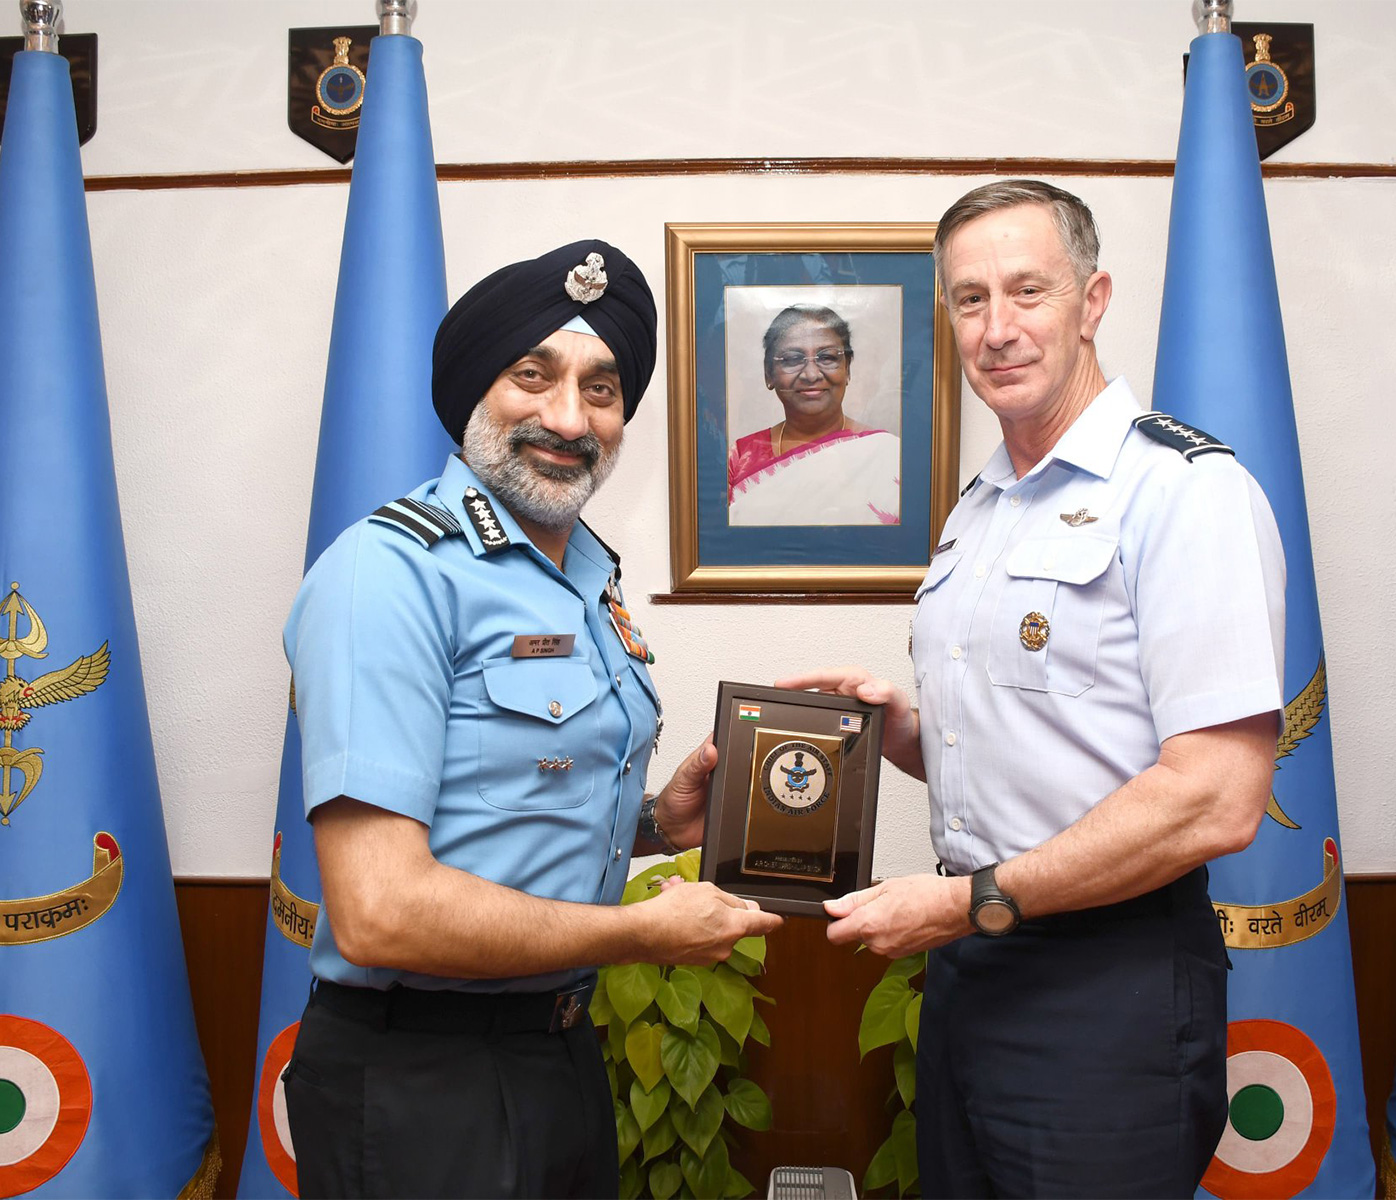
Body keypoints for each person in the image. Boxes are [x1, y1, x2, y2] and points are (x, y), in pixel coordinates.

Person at [782, 180, 1287, 1198]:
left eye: (1027, 291)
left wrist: (973, 904)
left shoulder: (1183, 492)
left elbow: (1216, 797)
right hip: (975, 970)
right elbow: (1028, 743)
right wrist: (901, 732)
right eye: (969, 300)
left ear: (1092, 300)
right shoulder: (984, 508)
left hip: (1110, 984)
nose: (997, 328)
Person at [280, 239, 782, 1199]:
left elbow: (494, 806)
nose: (567, 417)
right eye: (532, 376)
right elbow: (381, 910)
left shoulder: (586, 574)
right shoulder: (389, 576)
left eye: (601, 388)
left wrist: (652, 825)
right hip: (419, 1080)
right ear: (474, 391)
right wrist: (641, 934)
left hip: (555, 1056)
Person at [727, 303, 901, 526]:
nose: (811, 374)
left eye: (827, 358)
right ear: (768, 373)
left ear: (847, 369)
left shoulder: (888, 456)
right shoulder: (739, 459)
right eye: (791, 359)